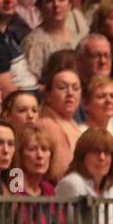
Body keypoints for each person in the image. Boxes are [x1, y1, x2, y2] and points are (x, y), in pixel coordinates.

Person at [35, 54, 85, 182]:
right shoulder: (44, 125)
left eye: (75, 88)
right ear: (48, 94)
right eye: (62, 87)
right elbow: (60, 172)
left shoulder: (74, 123)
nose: (70, 93)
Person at [22, 0, 85, 83]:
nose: (56, 4)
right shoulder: (33, 42)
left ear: (70, 5)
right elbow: (32, 83)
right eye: (49, 0)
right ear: (40, 6)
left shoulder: (79, 38)